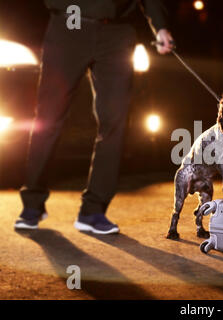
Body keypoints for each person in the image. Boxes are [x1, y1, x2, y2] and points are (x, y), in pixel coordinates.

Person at [14, 0, 174, 234]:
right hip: (69, 24)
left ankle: (93, 210)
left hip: (117, 32)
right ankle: (32, 203)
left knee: (114, 123)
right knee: (48, 118)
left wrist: (160, 25)